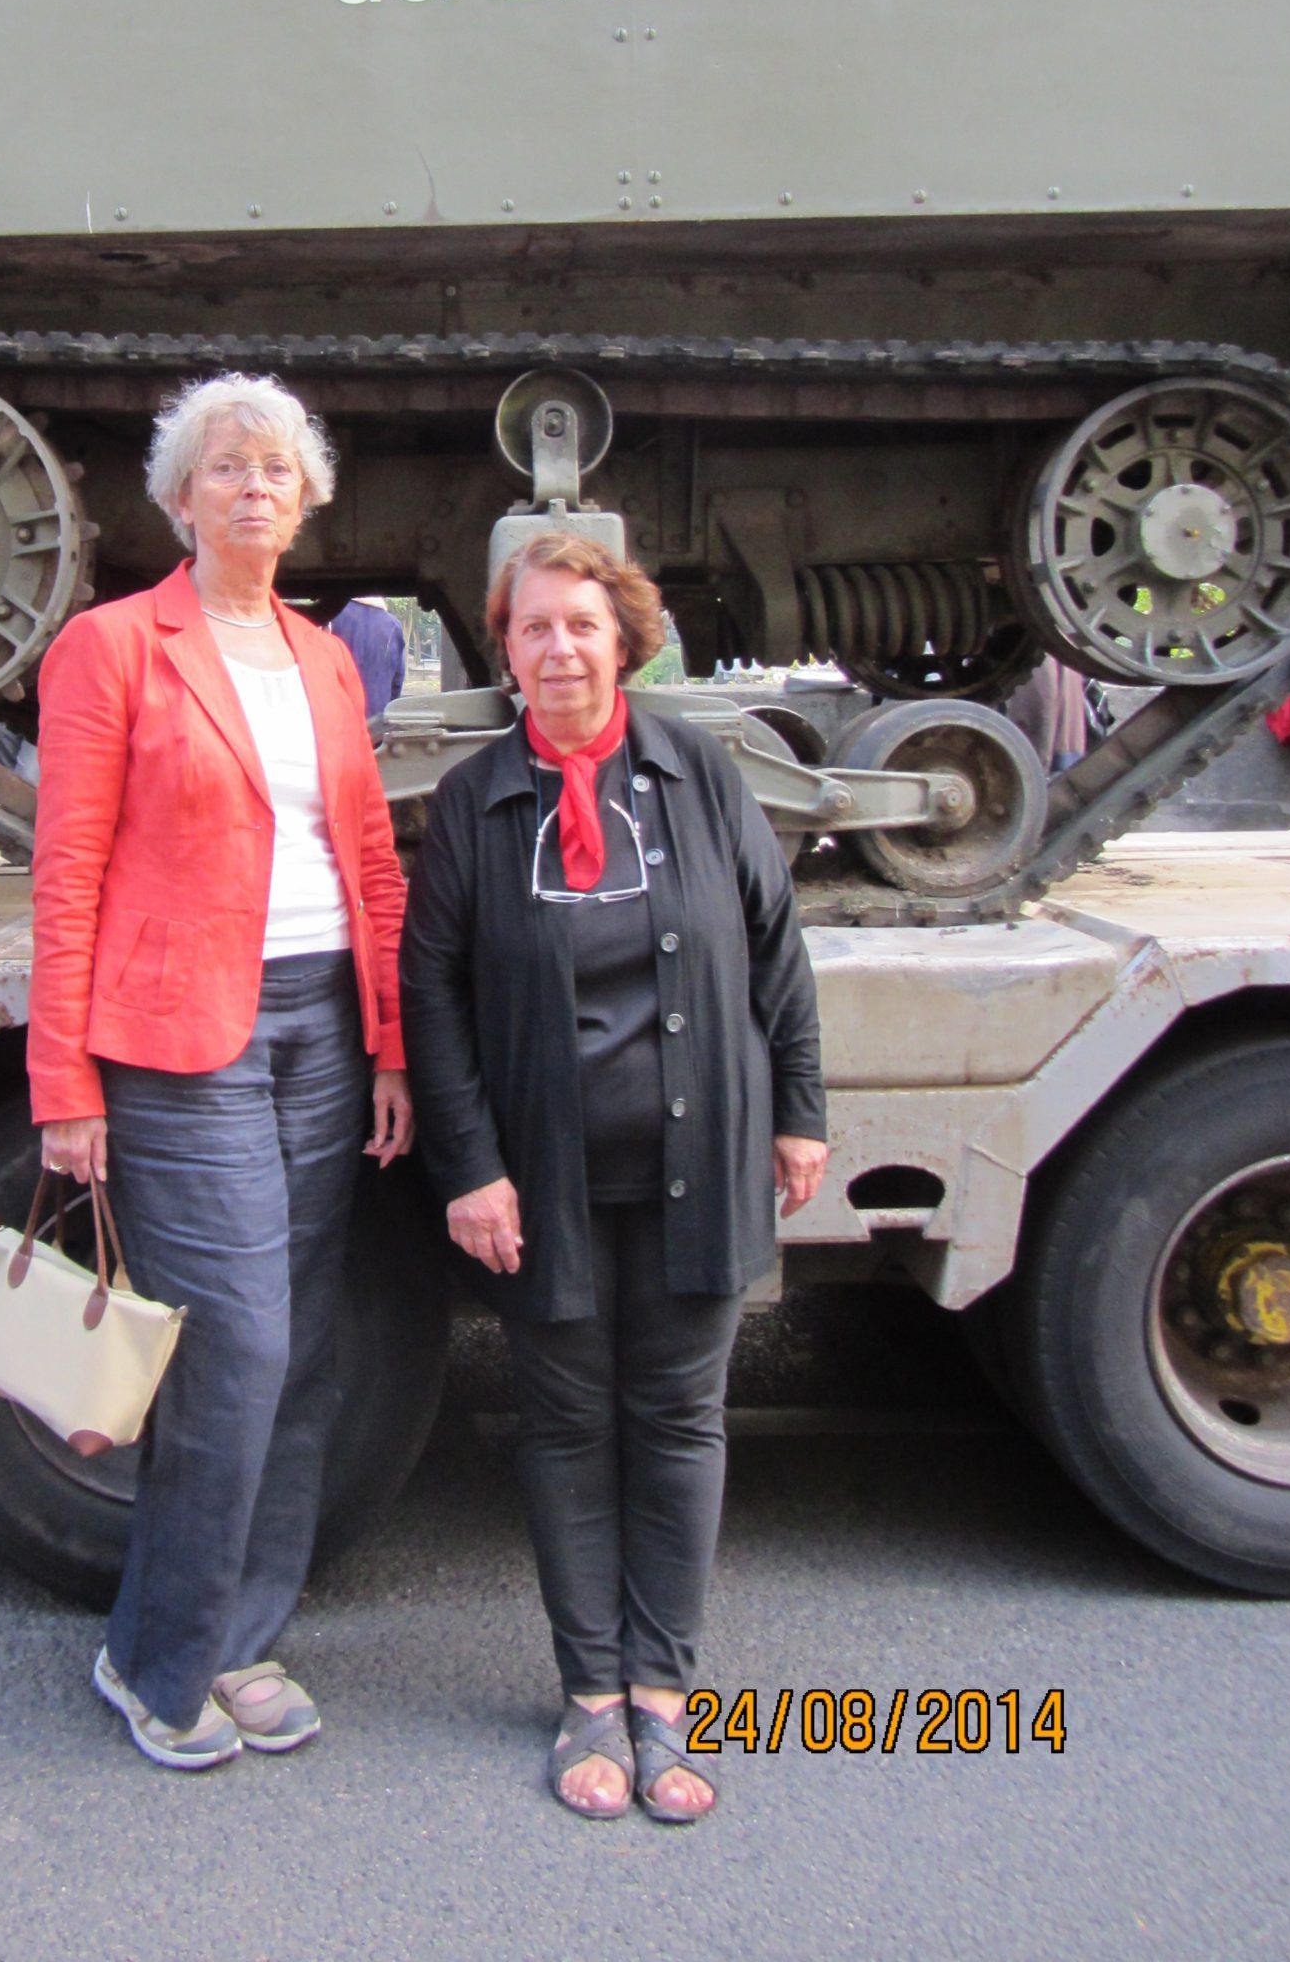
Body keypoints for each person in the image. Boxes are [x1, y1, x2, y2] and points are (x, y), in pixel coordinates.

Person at [400, 530, 827, 1825]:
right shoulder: (475, 806)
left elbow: (776, 948)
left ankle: (663, 1691)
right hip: (548, 1188)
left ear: (624, 636)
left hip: (697, 1164)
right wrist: (470, 1168)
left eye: (580, 624)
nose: (558, 647)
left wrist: (799, 1117)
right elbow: (433, 1003)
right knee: (572, 1431)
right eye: (533, 627)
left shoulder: (700, 772)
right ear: (506, 647)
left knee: (682, 1425)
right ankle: (589, 1688)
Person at [29, 371, 413, 1771]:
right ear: (179, 499)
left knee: (301, 1350)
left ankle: (241, 1634)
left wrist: (389, 1041)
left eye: (276, 467)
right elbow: (66, 869)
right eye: (224, 467)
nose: (253, 485)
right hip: (185, 1035)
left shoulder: (325, 659)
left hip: (320, 1022)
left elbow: (368, 856)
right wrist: (61, 1079)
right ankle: (155, 1661)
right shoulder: (113, 647)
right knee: (237, 1349)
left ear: (306, 501)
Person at [327, 595, 407, 723]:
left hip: (337, 724)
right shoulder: (393, 626)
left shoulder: (330, 618)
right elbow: (397, 682)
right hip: (376, 727)